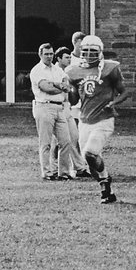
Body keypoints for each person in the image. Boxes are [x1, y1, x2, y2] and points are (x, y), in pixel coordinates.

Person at [65, 34, 128, 204]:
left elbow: (124, 92)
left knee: (90, 153)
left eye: (93, 51)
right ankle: (106, 185)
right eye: (86, 51)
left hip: (104, 119)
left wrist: (113, 103)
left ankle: (105, 182)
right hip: (84, 120)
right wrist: (69, 90)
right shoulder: (73, 70)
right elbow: (74, 101)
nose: (89, 54)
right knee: (90, 162)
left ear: (100, 52)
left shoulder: (110, 68)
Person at [29, 42, 78, 181]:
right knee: (46, 142)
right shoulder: (37, 70)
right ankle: (47, 172)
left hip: (59, 107)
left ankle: (63, 172)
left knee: (66, 141)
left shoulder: (57, 70)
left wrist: (57, 85)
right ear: (40, 54)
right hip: (44, 107)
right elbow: (46, 88)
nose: (49, 57)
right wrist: (59, 86)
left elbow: (67, 85)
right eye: (46, 54)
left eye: (51, 54)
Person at [48, 47, 91, 179]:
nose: (69, 60)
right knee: (57, 142)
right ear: (59, 58)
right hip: (54, 106)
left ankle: (79, 167)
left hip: (66, 107)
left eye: (70, 57)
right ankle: (54, 169)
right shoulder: (53, 71)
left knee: (73, 137)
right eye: (66, 57)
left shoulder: (68, 72)